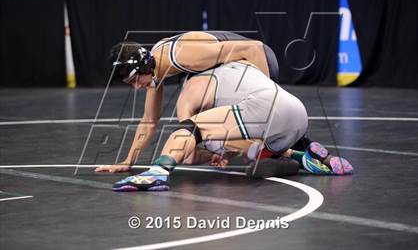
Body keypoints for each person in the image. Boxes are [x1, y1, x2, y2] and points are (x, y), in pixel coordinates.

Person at [109, 55, 353, 191]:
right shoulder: (238, 64)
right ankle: (309, 156)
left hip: (265, 108)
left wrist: (207, 153)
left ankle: (156, 174)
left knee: (192, 130)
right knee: (248, 147)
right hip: (297, 114)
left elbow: (187, 144)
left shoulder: (191, 87)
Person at [95, 31, 279, 174]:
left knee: (187, 108)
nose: (136, 88)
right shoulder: (154, 66)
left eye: (135, 80)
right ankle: (250, 147)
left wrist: (269, 97)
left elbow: (253, 48)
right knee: (189, 152)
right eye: (130, 84)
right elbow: (149, 121)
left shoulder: (184, 54)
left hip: (258, 59)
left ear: (143, 66)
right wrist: (128, 161)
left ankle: (270, 143)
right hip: (231, 70)